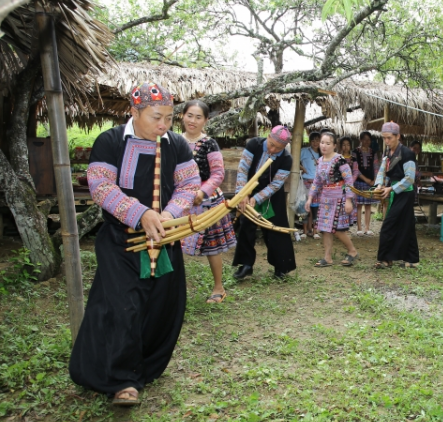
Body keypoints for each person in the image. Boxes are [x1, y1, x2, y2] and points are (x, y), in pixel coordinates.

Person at [69, 83, 200, 405]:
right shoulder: (110, 141)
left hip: (164, 240)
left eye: (170, 118)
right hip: (120, 241)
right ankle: (123, 381)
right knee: (122, 306)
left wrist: (166, 216)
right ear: (134, 112)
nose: (163, 126)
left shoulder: (177, 145)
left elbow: (189, 185)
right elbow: (100, 186)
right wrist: (139, 214)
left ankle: (145, 366)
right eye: (157, 117)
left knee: (162, 308)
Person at [179, 100, 236, 304]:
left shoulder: (209, 143)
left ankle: (218, 287)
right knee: (174, 244)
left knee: (212, 246)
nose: (193, 121)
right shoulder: (173, 141)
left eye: (198, 117)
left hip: (207, 201)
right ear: (182, 116)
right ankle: (174, 289)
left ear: (205, 120)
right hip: (178, 200)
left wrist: (202, 192)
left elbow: (218, 174)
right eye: (189, 115)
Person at [232, 125, 296, 280]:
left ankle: (281, 267)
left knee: (275, 229)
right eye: (272, 145)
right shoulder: (253, 144)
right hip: (248, 189)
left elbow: (275, 185)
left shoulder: (286, 159)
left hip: (272, 196)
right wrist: (243, 194)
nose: (273, 150)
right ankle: (246, 265)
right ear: (268, 136)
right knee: (246, 226)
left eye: (278, 148)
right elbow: (243, 170)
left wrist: (257, 198)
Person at [306, 133, 359, 267]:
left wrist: (348, 200)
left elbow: (348, 180)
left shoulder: (340, 160)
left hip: (339, 198)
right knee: (325, 228)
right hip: (325, 198)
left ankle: (352, 251)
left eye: (328, 143)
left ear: (335, 145)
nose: (324, 146)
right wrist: (310, 197)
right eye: (322, 143)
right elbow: (317, 181)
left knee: (338, 229)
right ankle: (327, 257)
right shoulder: (320, 161)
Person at [374, 122, 420, 269]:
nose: (387, 141)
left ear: (398, 136)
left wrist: (391, 189)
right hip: (394, 191)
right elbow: (382, 171)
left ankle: (386, 259)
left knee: (389, 225)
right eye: (384, 138)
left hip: (405, 193)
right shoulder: (387, 153)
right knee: (407, 225)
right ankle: (411, 259)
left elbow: (410, 178)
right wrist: (380, 185)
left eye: (389, 138)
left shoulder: (407, 153)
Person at [352, 131, 380, 236]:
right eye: (364, 139)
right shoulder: (355, 152)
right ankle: (359, 228)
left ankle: (367, 228)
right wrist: (366, 179)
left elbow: (376, 167)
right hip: (359, 181)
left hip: (371, 182)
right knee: (359, 205)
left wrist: (375, 180)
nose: (367, 141)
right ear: (360, 140)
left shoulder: (373, 153)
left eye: (369, 139)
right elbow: (355, 169)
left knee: (368, 205)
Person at [300, 132, 321, 238]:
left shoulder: (322, 153)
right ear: (309, 141)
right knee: (305, 207)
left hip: (318, 184)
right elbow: (293, 160)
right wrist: (302, 168)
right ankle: (305, 231)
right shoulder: (304, 151)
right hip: (306, 182)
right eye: (313, 140)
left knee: (316, 208)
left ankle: (315, 231)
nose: (315, 143)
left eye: (317, 140)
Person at [339, 136, 359, 225]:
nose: (346, 147)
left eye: (348, 145)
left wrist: (350, 181)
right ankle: (339, 226)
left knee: (349, 204)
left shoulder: (353, 158)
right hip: (339, 186)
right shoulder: (337, 158)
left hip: (350, 186)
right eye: (343, 145)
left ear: (350, 146)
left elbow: (355, 171)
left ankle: (347, 226)